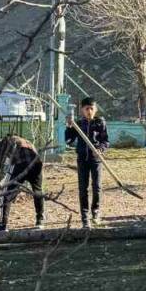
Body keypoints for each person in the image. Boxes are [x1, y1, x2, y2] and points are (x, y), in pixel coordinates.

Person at [65, 97, 110, 228]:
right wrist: (68, 126)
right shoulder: (77, 124)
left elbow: (106, 141)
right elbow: (68, 140)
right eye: (86, 109)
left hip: (96, 160)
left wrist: (100, 149)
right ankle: (84, 217)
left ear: (95, 109)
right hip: (82, 160)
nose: (89, 111)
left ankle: (95, 212)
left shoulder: (100, 123)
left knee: (97, 188)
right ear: (82, 110)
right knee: (83, 189)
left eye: (91, 108)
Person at [0, 133, 44, 230]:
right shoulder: (27, 142)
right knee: (37, 191)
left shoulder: (8, 140)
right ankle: (40, 220)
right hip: (37, 164)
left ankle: (2, 224)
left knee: (7, 193)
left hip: (20, 164)